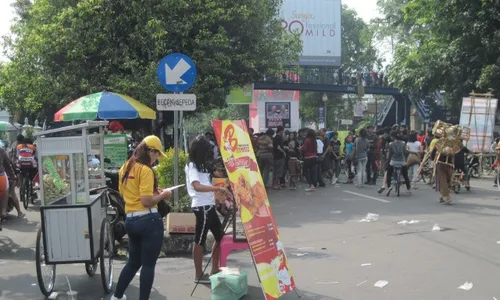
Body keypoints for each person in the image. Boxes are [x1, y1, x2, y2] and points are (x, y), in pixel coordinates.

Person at [112, 135, 172, 300]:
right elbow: (146, 201)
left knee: (133, 262)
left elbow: (127, 194)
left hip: (131, 220)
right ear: (150, 151)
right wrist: (164, 195)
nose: (157, 158)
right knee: (148, 265)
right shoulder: (145, 170)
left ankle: (117, 297)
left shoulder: (125, 167)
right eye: (157, 154)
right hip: (149, 222)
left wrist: (154, 191)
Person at [186, 136, 227, 284]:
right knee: (200, 239)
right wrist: (217, 188)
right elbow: (197, 186)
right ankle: (199, 274)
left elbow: (208, 182)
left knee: (220, 235)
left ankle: (214, 268)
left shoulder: (203, 165)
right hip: (201, 206)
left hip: (208, 205)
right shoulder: (192, 166)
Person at [0, 147, 17, 222]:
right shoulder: (1, 150)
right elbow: (8, 164)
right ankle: (3, 210)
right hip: (1, 175)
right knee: (6, 190)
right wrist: (13, 176)